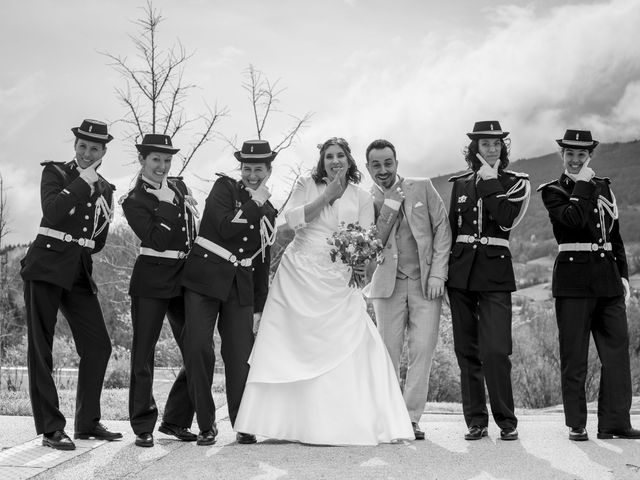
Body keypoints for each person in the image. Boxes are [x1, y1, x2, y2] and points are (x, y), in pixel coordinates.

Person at [234, 137, 414, 445]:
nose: (334, 160)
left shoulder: (360, 196)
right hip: (299, 273)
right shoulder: (307, 183)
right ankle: (260, 421)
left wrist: (359, 264)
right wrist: (326, 196)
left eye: (340, 155)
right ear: (322, 161)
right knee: (284, 344)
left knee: (350, 342)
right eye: (328, 156)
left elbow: (367, 236)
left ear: (348, 160)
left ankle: (341, 420)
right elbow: (289, 220)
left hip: (337, 278)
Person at [20, 119, 122, 450]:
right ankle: (51, 428)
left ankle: (88, 422)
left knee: (98, 346)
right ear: (75, 145)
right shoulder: (56, 174)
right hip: (46, 265)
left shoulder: (106, 189)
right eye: (82, 146)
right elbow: (51, 212)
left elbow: (100, 238)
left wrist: (81, 242)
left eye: (94, 149)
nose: (87, 153)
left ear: (103, 151)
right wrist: (83, 180)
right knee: (41, 348)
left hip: (78, 272)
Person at [538, 129, 640, 441]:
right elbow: (573, 220)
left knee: (617, 355)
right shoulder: (553, 190)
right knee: (574, 355)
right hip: (572, 283)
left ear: (589, 156)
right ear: (562, 155)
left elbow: (616, 236)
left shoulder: (604, 188)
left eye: (581, 154)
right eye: (570, 153)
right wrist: (583, 184)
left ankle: (615, 422)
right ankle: (576, 423)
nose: (575, 159)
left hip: (608, 282)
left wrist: (622, 275)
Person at [181, 140, 278, 446]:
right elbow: (223, 227)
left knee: (239, 357)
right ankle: (206, 423)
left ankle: (243, 422)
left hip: (240, 286)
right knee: (197, 348)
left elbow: (263, 258)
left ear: (268, 170)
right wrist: (254, 203)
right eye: (247, 168)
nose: (252, 175)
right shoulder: (225, 189)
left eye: (258, 169)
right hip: (205, 279)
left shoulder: (270, 210)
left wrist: (259, 305)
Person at [447, 121, 530, 441]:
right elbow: (454, 231)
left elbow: (506, 218)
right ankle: (476, 421)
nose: (492, 149)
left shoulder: (516, 182)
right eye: (485, 144)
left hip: (495, 274)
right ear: (475, 148)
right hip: (461, 274)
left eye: (496, 144)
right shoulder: (460, 183)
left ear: (502, 147)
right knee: (466, 351)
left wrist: (489, 182)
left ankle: (506, 420)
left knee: (496, 350)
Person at [365, 139, 451, 440]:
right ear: (367, 168)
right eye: (376, 164)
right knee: (387, 353)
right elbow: (369, 241)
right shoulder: (365, 200)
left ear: (396, 163)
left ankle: (411, 418)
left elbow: (442, 227)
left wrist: (438, 274)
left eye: (388, 163)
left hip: (425, 284)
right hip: (385, 286)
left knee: (422, 352)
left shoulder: (422, 187)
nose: (383, 170)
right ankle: (389, 416)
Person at [120, 134, 198, 447]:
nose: (162, 166)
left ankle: (177, 419)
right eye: (156, 160)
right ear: (142, 160)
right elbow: (158, 239)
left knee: (197, 349)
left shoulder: (179, 186)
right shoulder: (133, 200)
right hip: (151, 278)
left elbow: (191, 231)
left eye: (167, 160)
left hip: (183, 277)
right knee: (143, 355)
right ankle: (142, 425)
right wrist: (166, 202)